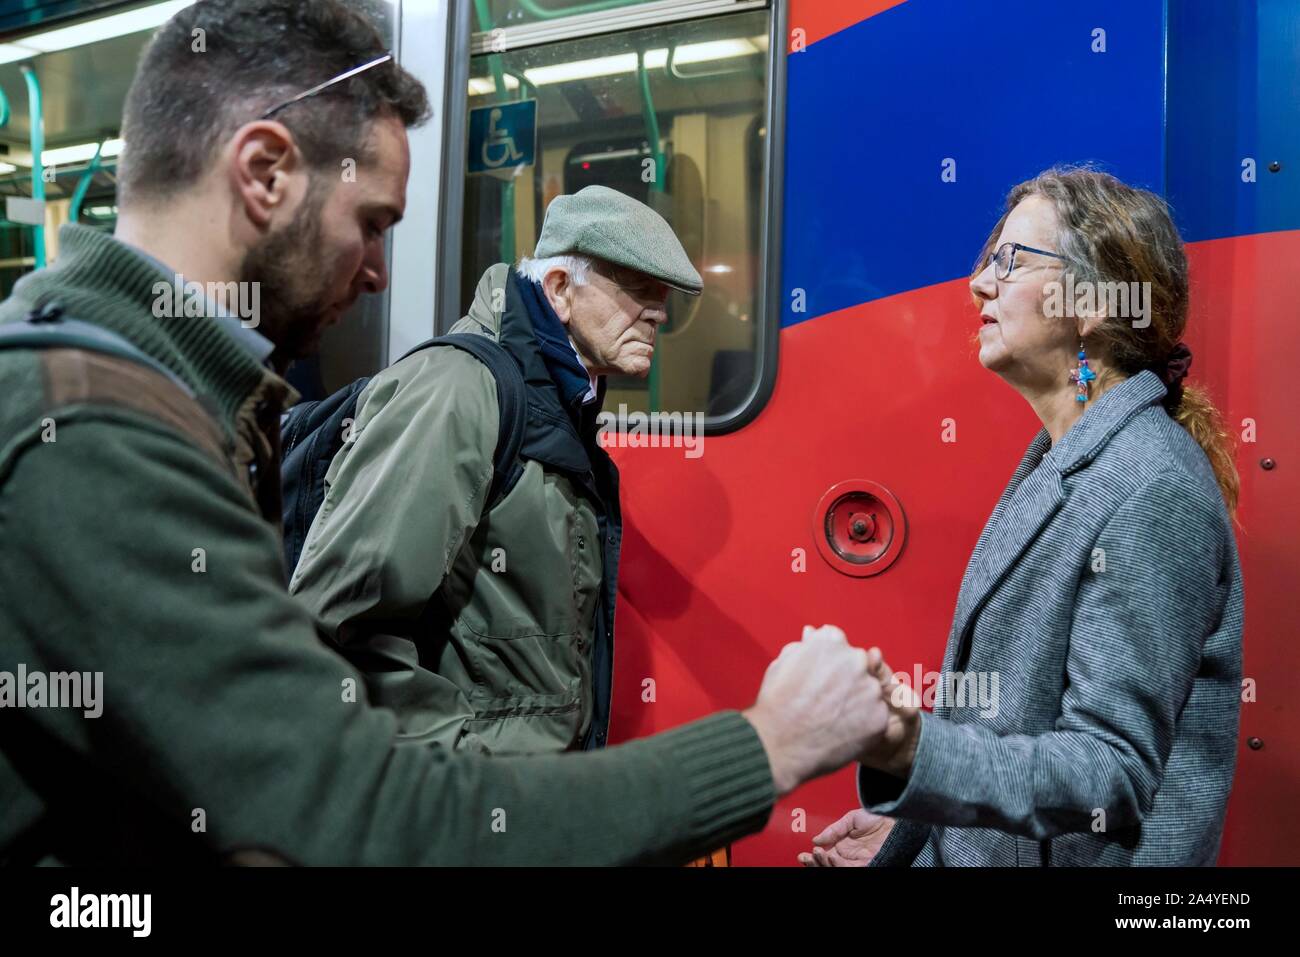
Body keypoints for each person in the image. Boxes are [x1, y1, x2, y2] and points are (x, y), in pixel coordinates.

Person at [0, 0, 907, 866]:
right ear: (265, 172)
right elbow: (340, 808)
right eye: (370, 225)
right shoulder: (94, 430)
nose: (381, 276)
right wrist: (767, 745)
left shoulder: (174, 402)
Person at [802, 167, 1244, 867]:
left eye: (1008, 261)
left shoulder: (1152, 487)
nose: (979, 284)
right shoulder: (1066, 458)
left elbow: (1112, 773)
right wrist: (912, 827)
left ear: (1092, 303)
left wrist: (914, 748)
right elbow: (1010, 730)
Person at [290, 186, 697, 755]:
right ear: (559, 291)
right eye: (636, 287)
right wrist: (469, 772)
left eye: (665, 295)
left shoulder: (562, 401)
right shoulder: (457, 389)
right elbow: (340, 630)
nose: (659, 311)